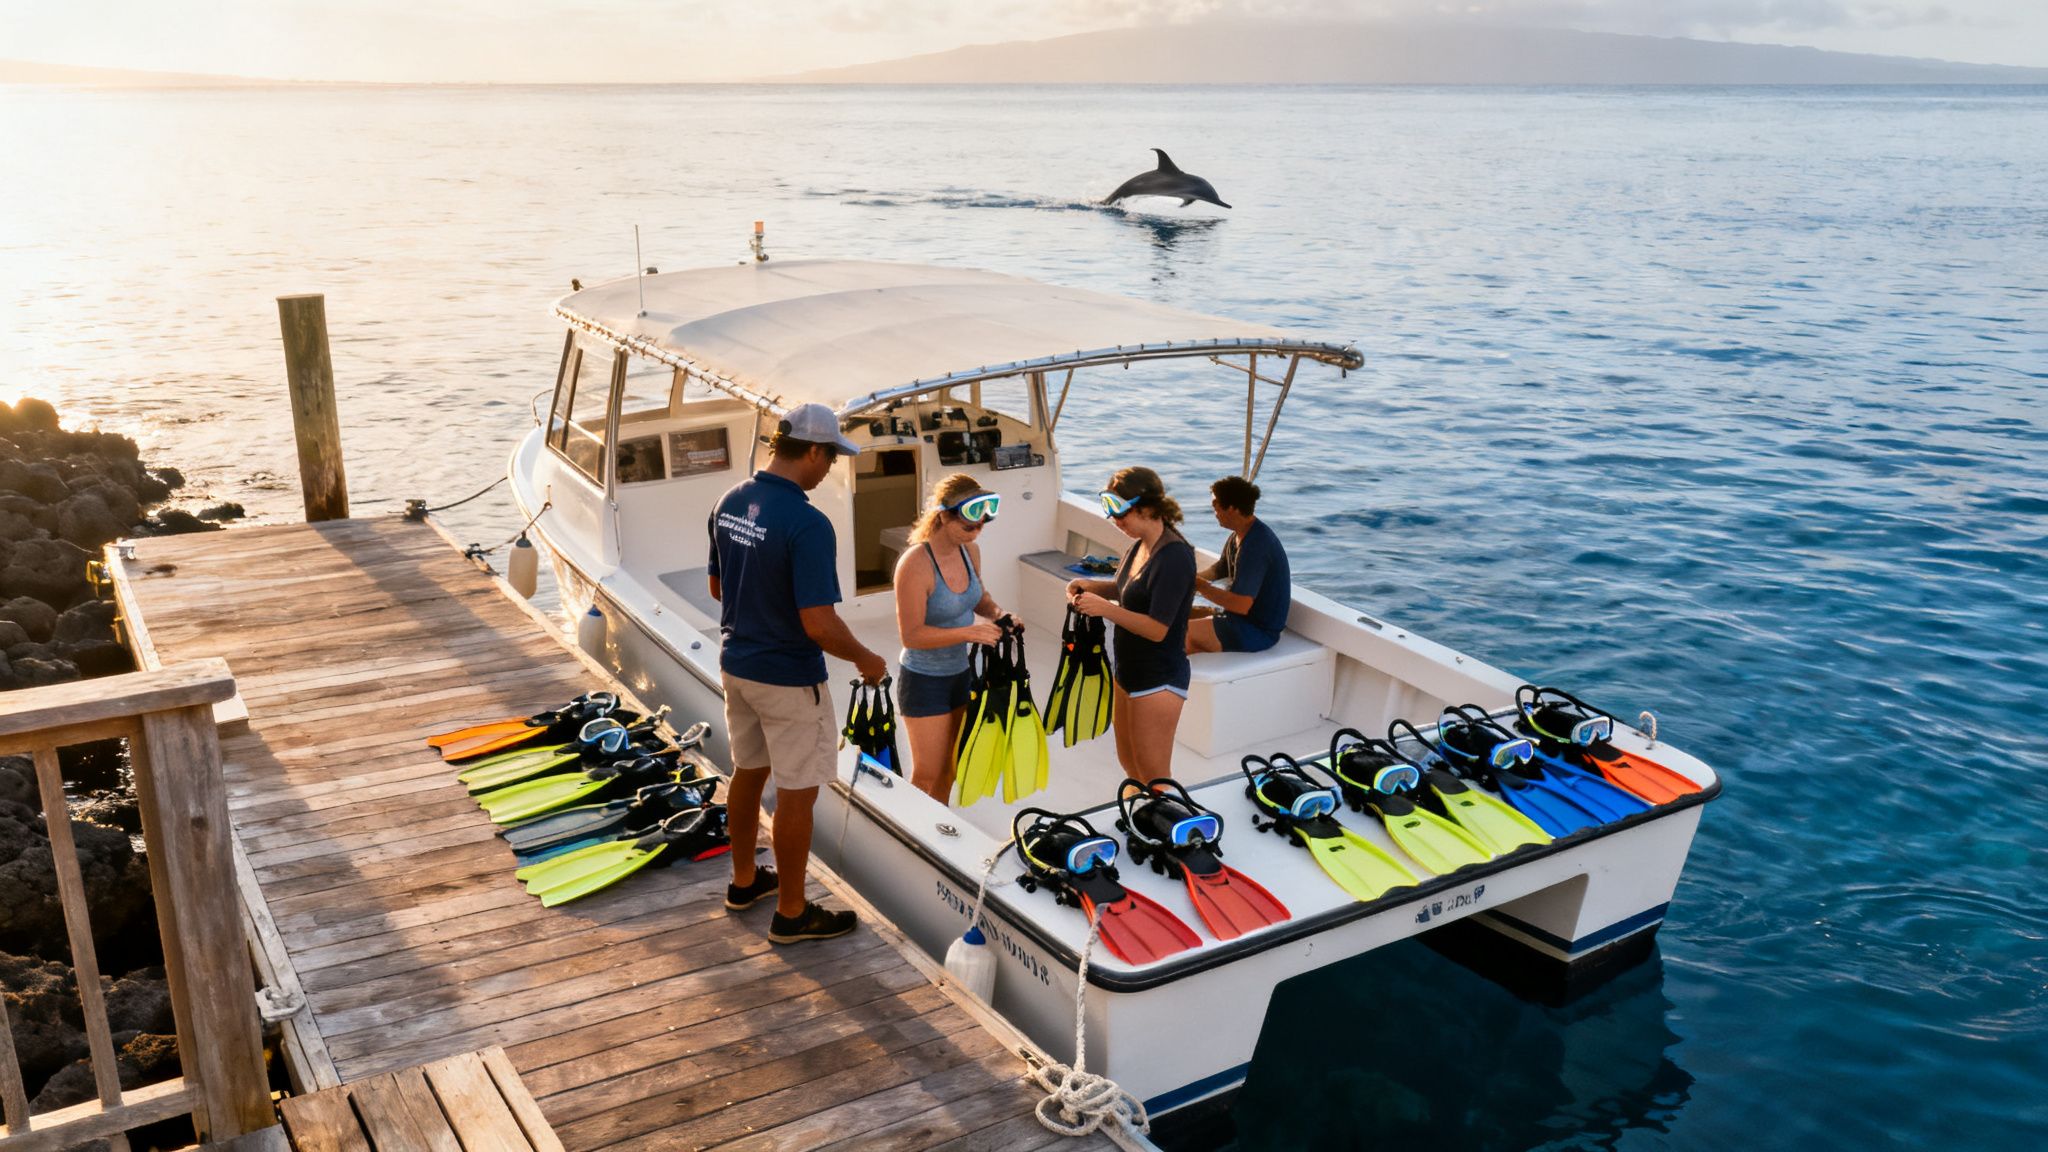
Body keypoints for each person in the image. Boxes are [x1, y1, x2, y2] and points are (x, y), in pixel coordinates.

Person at [706, 402, 886, 945]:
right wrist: (866, 659)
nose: (829, 468)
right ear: (811, 451)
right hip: (788, 679)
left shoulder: (731, 499)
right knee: (797, 795)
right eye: (830, 456)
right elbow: (819, 625)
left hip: (737, 666)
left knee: (747, 772)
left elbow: (719, 589)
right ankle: (790, 912)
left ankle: (743, 883)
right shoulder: (808, 523)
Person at [1067, 467, 1195, 783]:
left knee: (1155, 776)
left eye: (1120, 512)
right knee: (1129, 764)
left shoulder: (1175, 557)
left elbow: (1157, 629)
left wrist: (1104, 610)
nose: (1115, 520)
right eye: (1109, 510)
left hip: (1158, 679)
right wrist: (1091, 586)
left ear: (1147, 508)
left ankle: (1167, 826)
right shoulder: (1139, 545)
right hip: (1127, 672)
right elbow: (1127, 589)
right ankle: (1142, 821)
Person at [892, 475, 1013, 802]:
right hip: (923, 680)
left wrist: (999, 614)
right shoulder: (915, 565)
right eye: (969, 527)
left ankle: (938, 829)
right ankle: (914, 837)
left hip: (960, 676)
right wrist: (969, 633)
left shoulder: (969, 552)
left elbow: (978, 597)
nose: (976, 534)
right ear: (943, 516)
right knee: (926, 774)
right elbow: (912, 636)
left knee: (951, 767)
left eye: (981, 527)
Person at [1188, 475, 1292, 654]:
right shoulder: (1239, 535)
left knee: (1180, 634)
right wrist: (1189, 581)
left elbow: (1240, 605)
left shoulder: (1257, 545)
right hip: (1236, 619)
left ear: (1233, 509)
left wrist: (1201, 586)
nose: (1214, 512)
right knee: (1171, 617)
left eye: (1216, 506)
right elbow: (1220, 569)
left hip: (1257, 631)